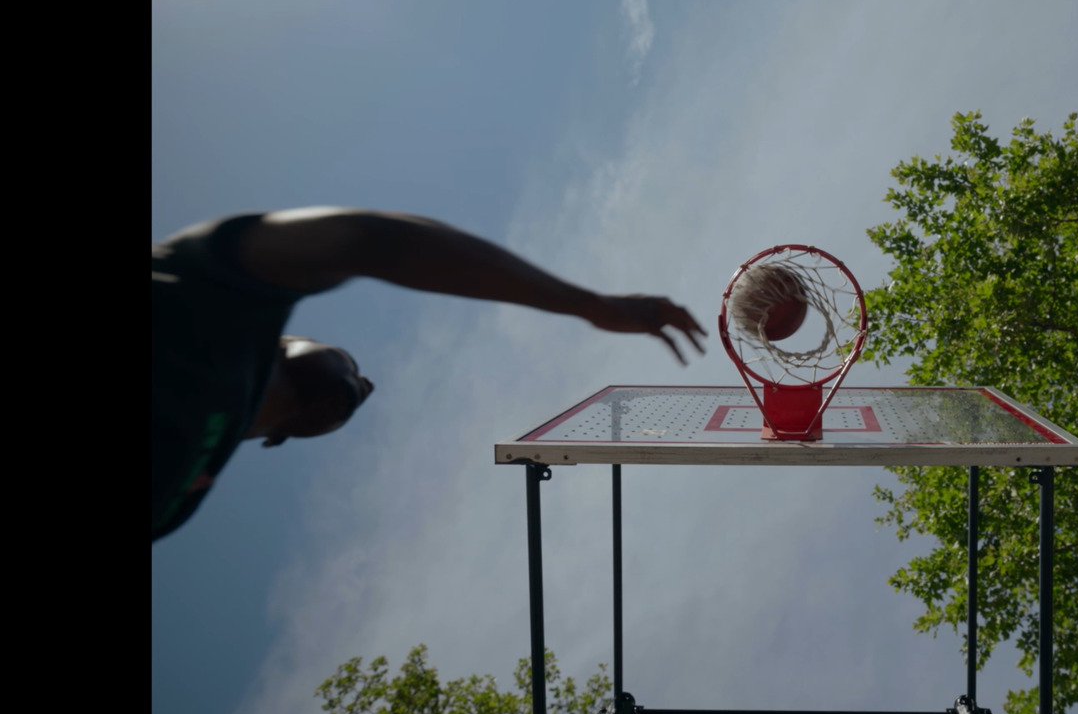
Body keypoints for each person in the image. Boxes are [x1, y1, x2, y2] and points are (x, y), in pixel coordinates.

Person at [152, 207, 708, 542]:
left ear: (279, 438)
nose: (364, 384)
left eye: (358, 377)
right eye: (350, 362)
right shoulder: (209, 293)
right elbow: (367, 240)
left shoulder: (180, 497)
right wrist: (589, 305)